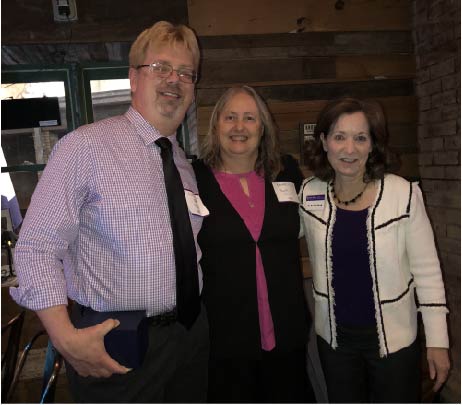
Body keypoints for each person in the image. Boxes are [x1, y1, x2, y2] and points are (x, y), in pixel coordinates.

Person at [10, 21, 209, 403]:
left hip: (190, 336)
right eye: (161, 68)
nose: (175, 80)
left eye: (186, 72)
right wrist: (65, 337)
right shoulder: (85, 147)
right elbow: (36, 247)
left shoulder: (181, 161)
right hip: (120, 344)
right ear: (133, 77)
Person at [299, 97, 450, 403]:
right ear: (324, 142)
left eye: (360, 138)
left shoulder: (402, 193)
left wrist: (437, 341)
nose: (349, 149)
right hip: (334, 342)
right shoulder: (309, 193)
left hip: (394, 343)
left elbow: (427, 272)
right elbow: (274, 233)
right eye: (339, 137)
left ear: (373, 145)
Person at [193, 85, 315, 403]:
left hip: (287, 330)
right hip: (225, 338)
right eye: (230, 117)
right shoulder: (194, 179)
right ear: (216, 123)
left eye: (250, 118)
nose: (239, 126)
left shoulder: (285, 171)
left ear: (262, 127)